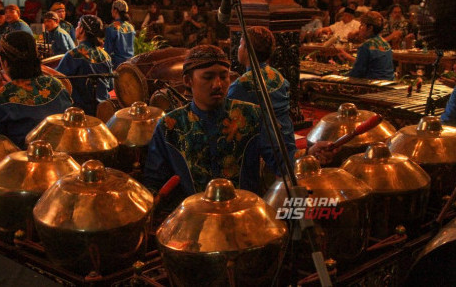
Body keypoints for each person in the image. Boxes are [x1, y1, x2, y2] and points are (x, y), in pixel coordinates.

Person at [143, 45, 333, 208]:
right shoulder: (170, 125)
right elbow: (154, 181)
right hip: (193, 227)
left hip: (245, 219)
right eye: (208, 77)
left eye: (224, 76)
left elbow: (281, 161)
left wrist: (309, 154)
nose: (218, 84)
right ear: (188, 80)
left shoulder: (253, 115)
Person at [0, 31, 73, 148]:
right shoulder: (57, 85)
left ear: (4, 62)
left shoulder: (1, 98)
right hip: (63, 157)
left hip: (23, 163)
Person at [227, 26, 296, 161]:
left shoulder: (242, 85)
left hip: (265, 148)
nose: (238, 49)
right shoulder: (277, 75)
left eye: (241, 44)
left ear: (248, 50)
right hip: (287, 140)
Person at [55, 15, 113, 116]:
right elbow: (111, 85)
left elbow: (58, 82)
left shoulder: (73, 54)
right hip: (104, 109)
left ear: (82, 29)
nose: (76, 28)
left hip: (81, 112)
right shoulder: (105, 55)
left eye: (78, 25)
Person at [338, 11, 394, 80]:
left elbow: (357, 73)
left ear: (370, 28)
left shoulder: (366, 46)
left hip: (373, 85)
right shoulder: (385, 43)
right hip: (389, 82)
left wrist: (340, 76)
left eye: (362, 25)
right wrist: (349, 58)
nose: (360, 28)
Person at [104, 0, 135, 69]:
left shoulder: (111, 28)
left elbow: (107, 51)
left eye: (112, 9)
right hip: (131, 64)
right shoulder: (131, 27)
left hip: (117, 65)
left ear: (115, 10)